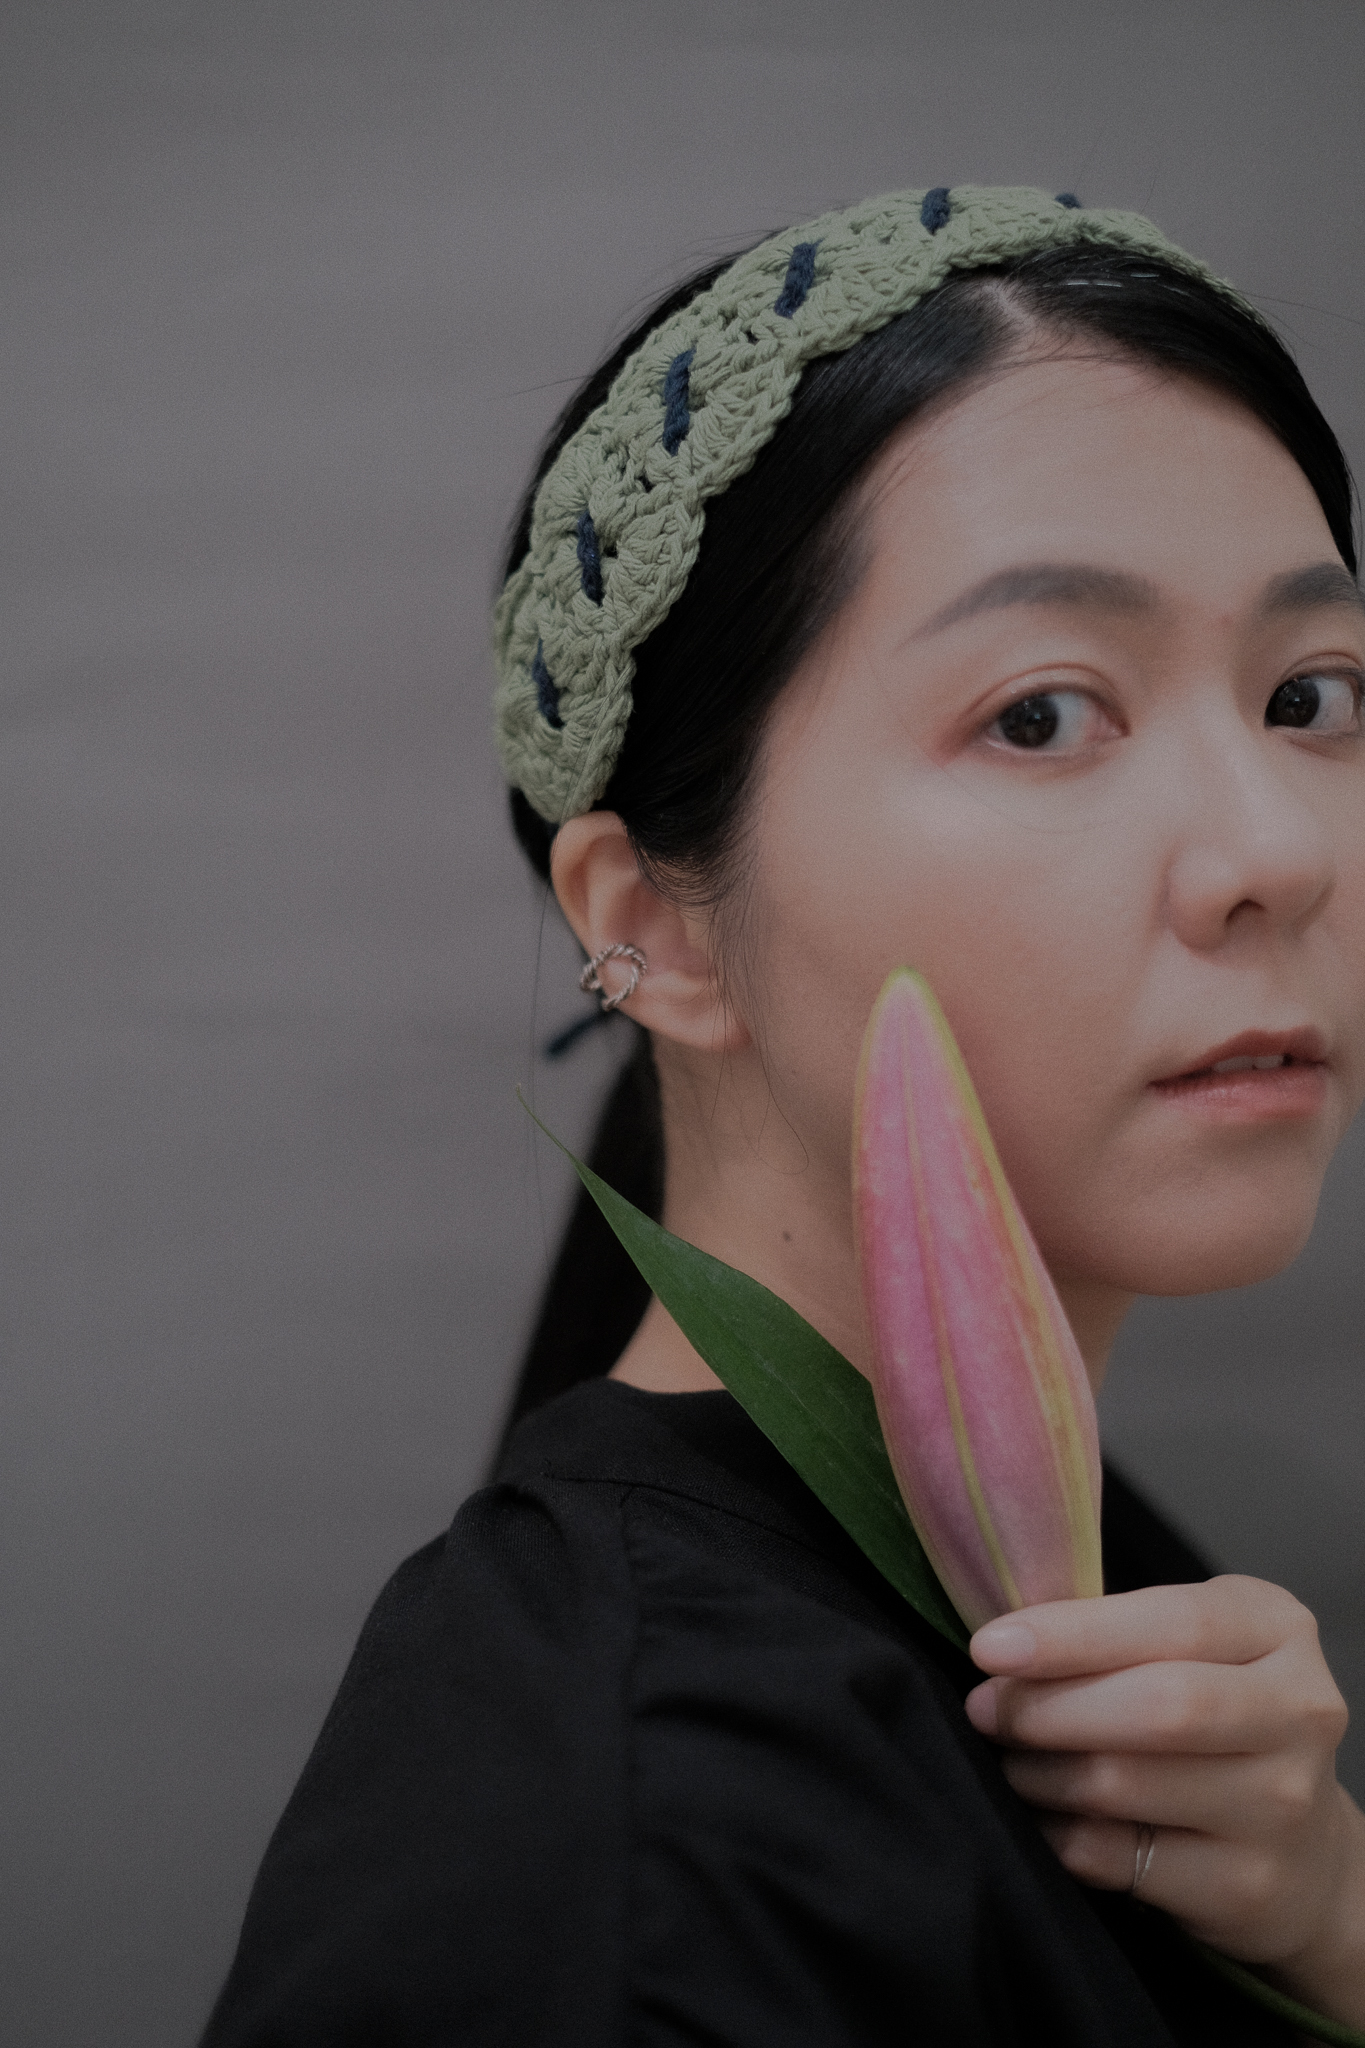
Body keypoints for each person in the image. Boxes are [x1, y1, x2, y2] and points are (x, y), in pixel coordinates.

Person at [201, 187, 1365, 2045]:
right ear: (652, 928)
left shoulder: (1104, 1631)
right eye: (1041, 715)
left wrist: (1335, 1929)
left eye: (1309, 695)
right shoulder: (628, 1843)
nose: (1274, 851)